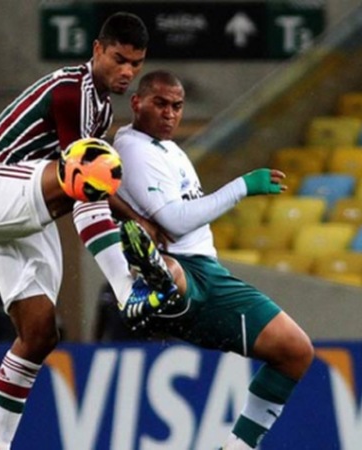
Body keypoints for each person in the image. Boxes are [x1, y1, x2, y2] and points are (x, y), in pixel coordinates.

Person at [0, 12, 179, 450]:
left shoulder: (98, 109)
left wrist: (139, 220)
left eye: (135, 64)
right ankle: (126, 291)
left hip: (22, 216)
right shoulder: (71, 91)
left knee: (40, 334)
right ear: (97, 49)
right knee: (91, 174)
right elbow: (85, 179)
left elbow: (83, 179)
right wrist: (138, 221)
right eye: (118, 59)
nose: (126, 72)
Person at [113, 70, 314, 450]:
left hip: (210, 273)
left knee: (295, 350)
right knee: (169, 274)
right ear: (137, 103)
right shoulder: (134, 149)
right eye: (160, 104)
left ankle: (238, 447)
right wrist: (242, 186)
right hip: (186, 269)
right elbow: (173, 219)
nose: (170, 114)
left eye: (177, 106)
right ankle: (150, 285)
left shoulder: (168, 150)